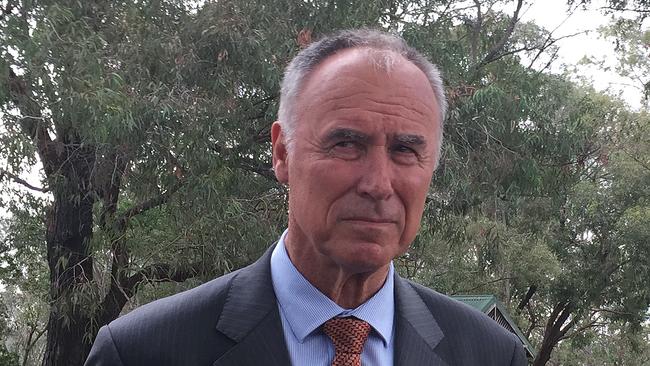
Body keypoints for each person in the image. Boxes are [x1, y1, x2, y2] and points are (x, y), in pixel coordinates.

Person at [85, 29, 526, 366]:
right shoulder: (143, 351)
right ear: (281, 153)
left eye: (405, 150)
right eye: (346, 144)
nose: (378, 183)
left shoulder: (489, 354)